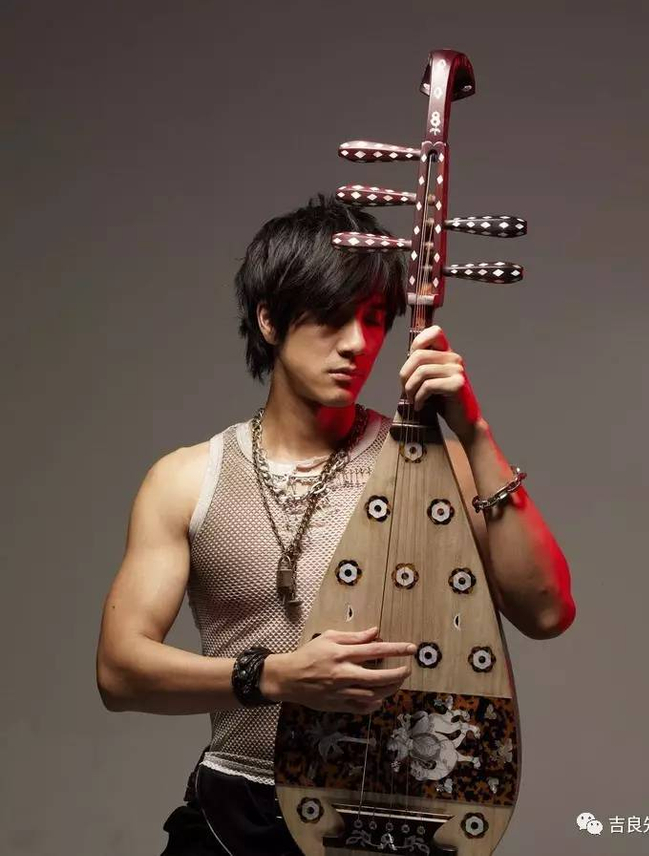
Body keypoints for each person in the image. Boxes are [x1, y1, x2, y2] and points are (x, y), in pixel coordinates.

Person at [96, 194, 575, 855]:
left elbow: (547, 611)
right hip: (234, 820)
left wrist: (475, 432)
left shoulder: (434, 465)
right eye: (331, 317)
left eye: (375, 319)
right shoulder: (187, 480)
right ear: (269, 319)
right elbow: (119, 671)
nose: (358, 342)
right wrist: (275, 676)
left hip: (390, 819)